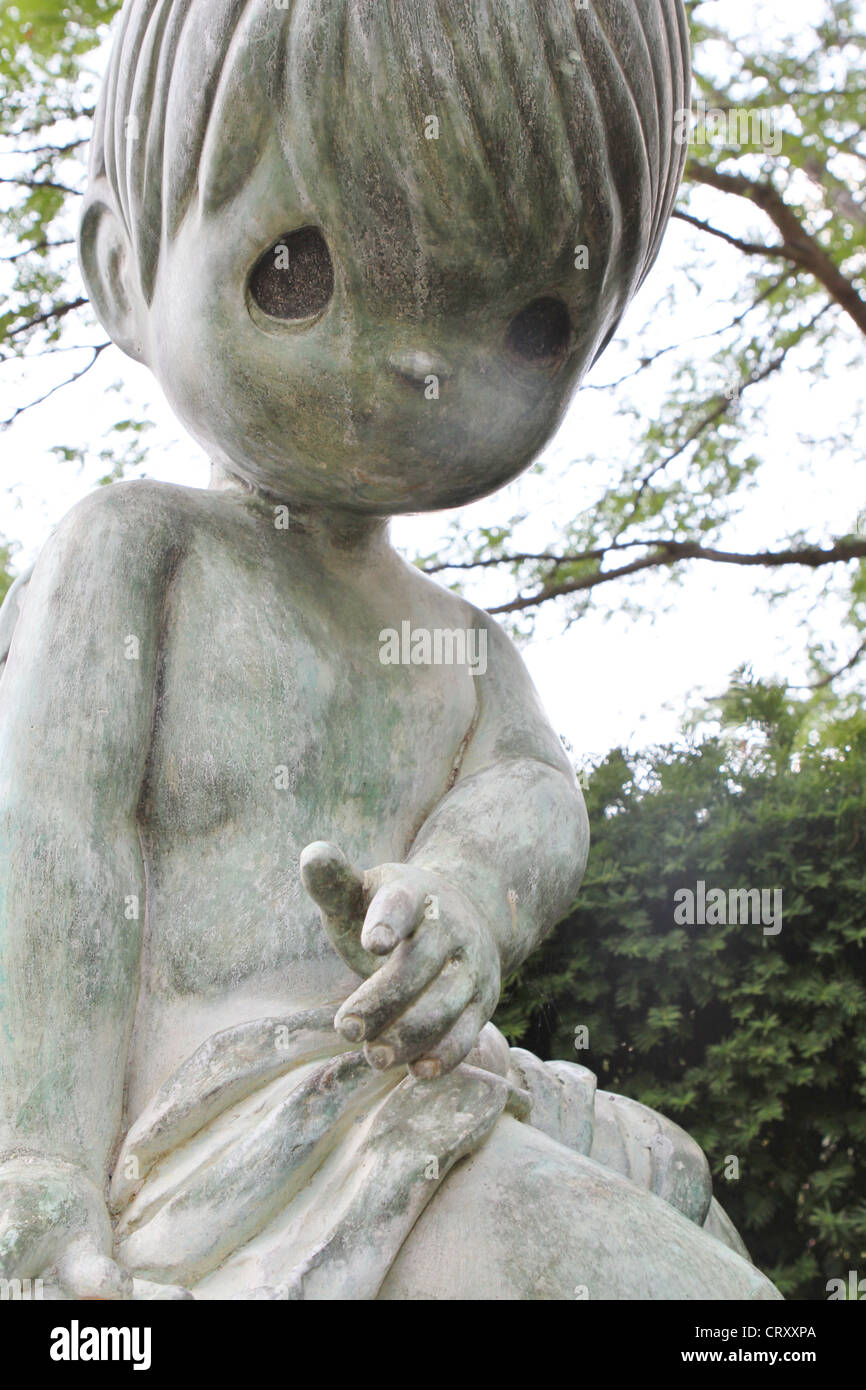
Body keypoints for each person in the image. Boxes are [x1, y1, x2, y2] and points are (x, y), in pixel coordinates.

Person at [0, 0, 779, 1299]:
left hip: (444, 1082)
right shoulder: (138, 554)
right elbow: (47, 858)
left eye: (529, 318)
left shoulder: (463, 652)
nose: (417, 365)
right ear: (126, 273)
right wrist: (32, 1174)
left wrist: (468, 890)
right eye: (294, 270)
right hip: (236, 1128)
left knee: (694, 1228)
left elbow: (530, 794)